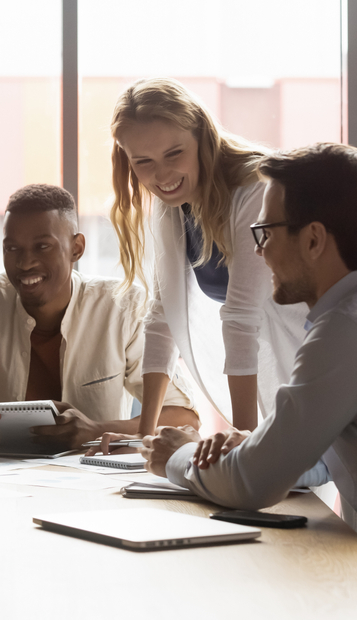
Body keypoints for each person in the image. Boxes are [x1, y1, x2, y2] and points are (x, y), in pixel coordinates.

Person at [142, 143, 357, 613]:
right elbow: (324, 459)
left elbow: (252, 486)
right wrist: (257, 447)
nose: (259, 252)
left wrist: (176, 454)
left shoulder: (351, 329)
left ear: (313, 239)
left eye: (263, 233)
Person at [0, 184, 200, 450]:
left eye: (42, 246)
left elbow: (182, 417)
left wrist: (96, 430)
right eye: (12, 248)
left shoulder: (123, 305)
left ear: (76, 248)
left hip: (90, 486)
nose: (25, 262)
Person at [106, 78, 307, 437]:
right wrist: (144, 436)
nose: (162, 175)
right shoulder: (174, 203)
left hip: (313, 358)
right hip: (271, 364)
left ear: (201, 136)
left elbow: (242, 318)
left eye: (174, 154)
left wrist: (242, 446)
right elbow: (162, 317)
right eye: (143, 162)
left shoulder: (256, 191)